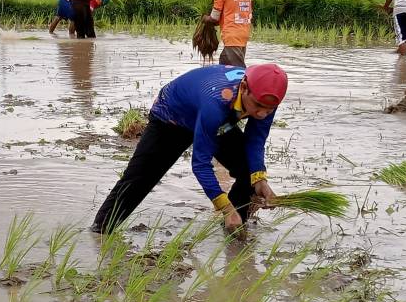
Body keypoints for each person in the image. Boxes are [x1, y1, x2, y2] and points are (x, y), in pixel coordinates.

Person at [91, 63, 288, 234]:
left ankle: (235, 228)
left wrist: (259, 179)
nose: (262, 114)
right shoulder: (216, 103)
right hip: (172, 117)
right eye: (258, 106)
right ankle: (100, 231)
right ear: (244, 87)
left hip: (218, 118)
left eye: (269, 109)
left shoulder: (266, 98)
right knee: (139, 179)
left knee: (248, 171)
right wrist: (225, 208)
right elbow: (200, 163)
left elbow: (255, 140)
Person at [202, 0, 252, 67]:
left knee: (238, 71)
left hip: (231, 36)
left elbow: (214, 18)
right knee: (224, 63)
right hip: (244, 35)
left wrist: (204, 18)